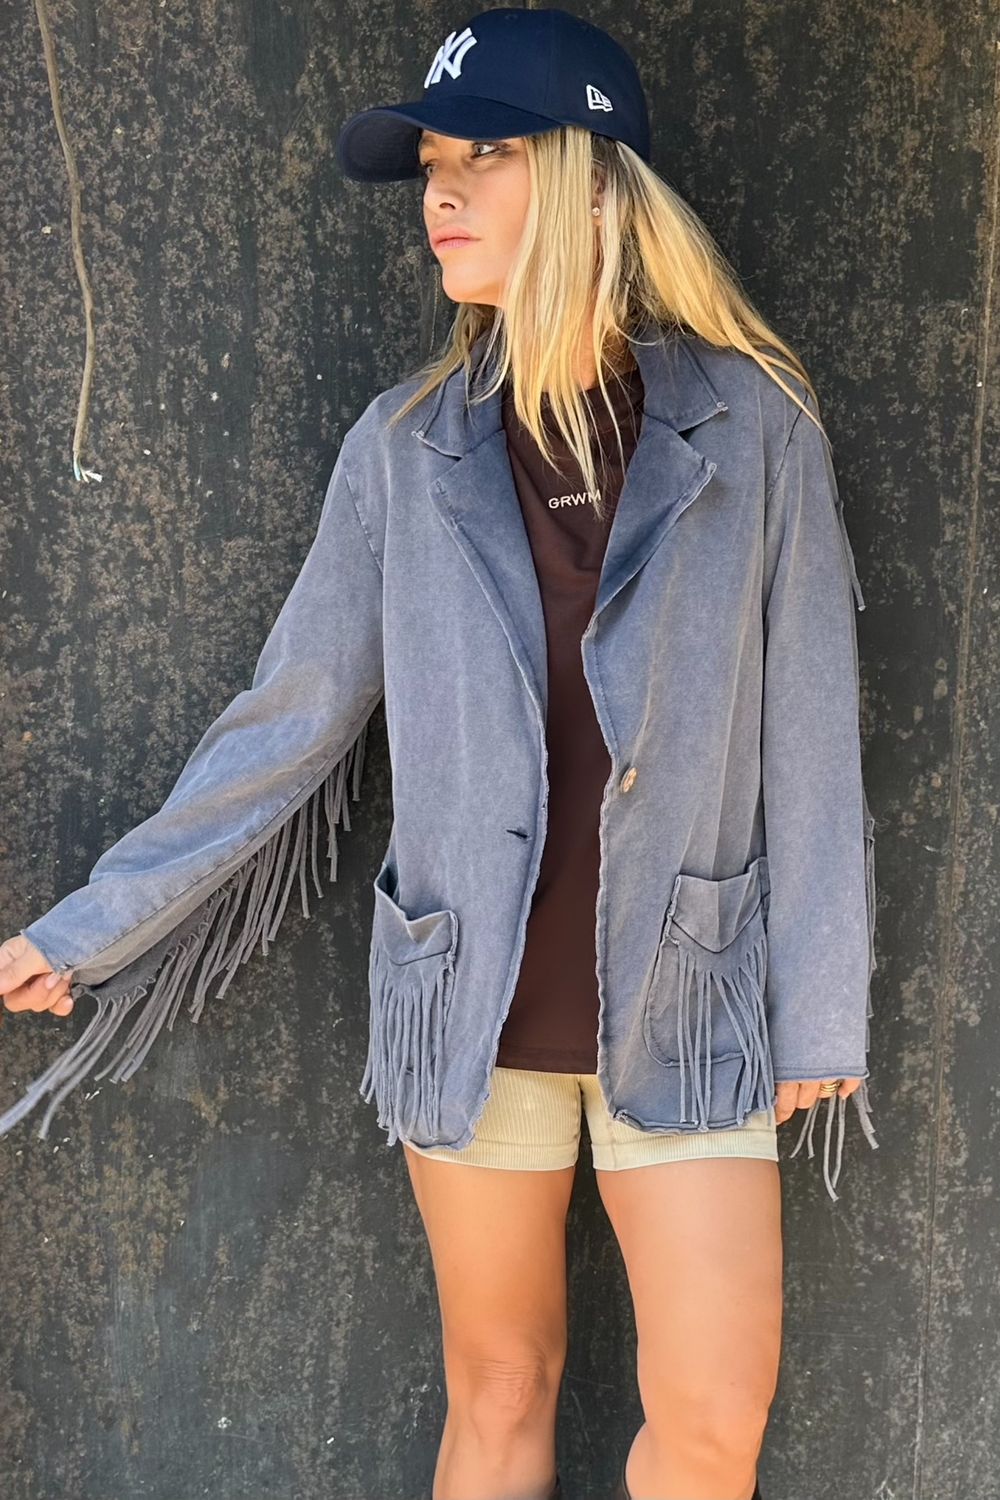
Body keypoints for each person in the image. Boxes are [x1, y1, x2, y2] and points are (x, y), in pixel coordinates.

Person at [0, 8, 879, 1500]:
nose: (442, 196)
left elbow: (812, 727)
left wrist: (821, 1016)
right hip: (466, 994)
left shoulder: (755, 428)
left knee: (714, 1418)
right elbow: (289, 722)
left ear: (592, 184)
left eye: (486, 157)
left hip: (694, 989)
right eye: (431, 168)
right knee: (499, 1387)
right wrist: (91, 928)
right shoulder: (404, 450)